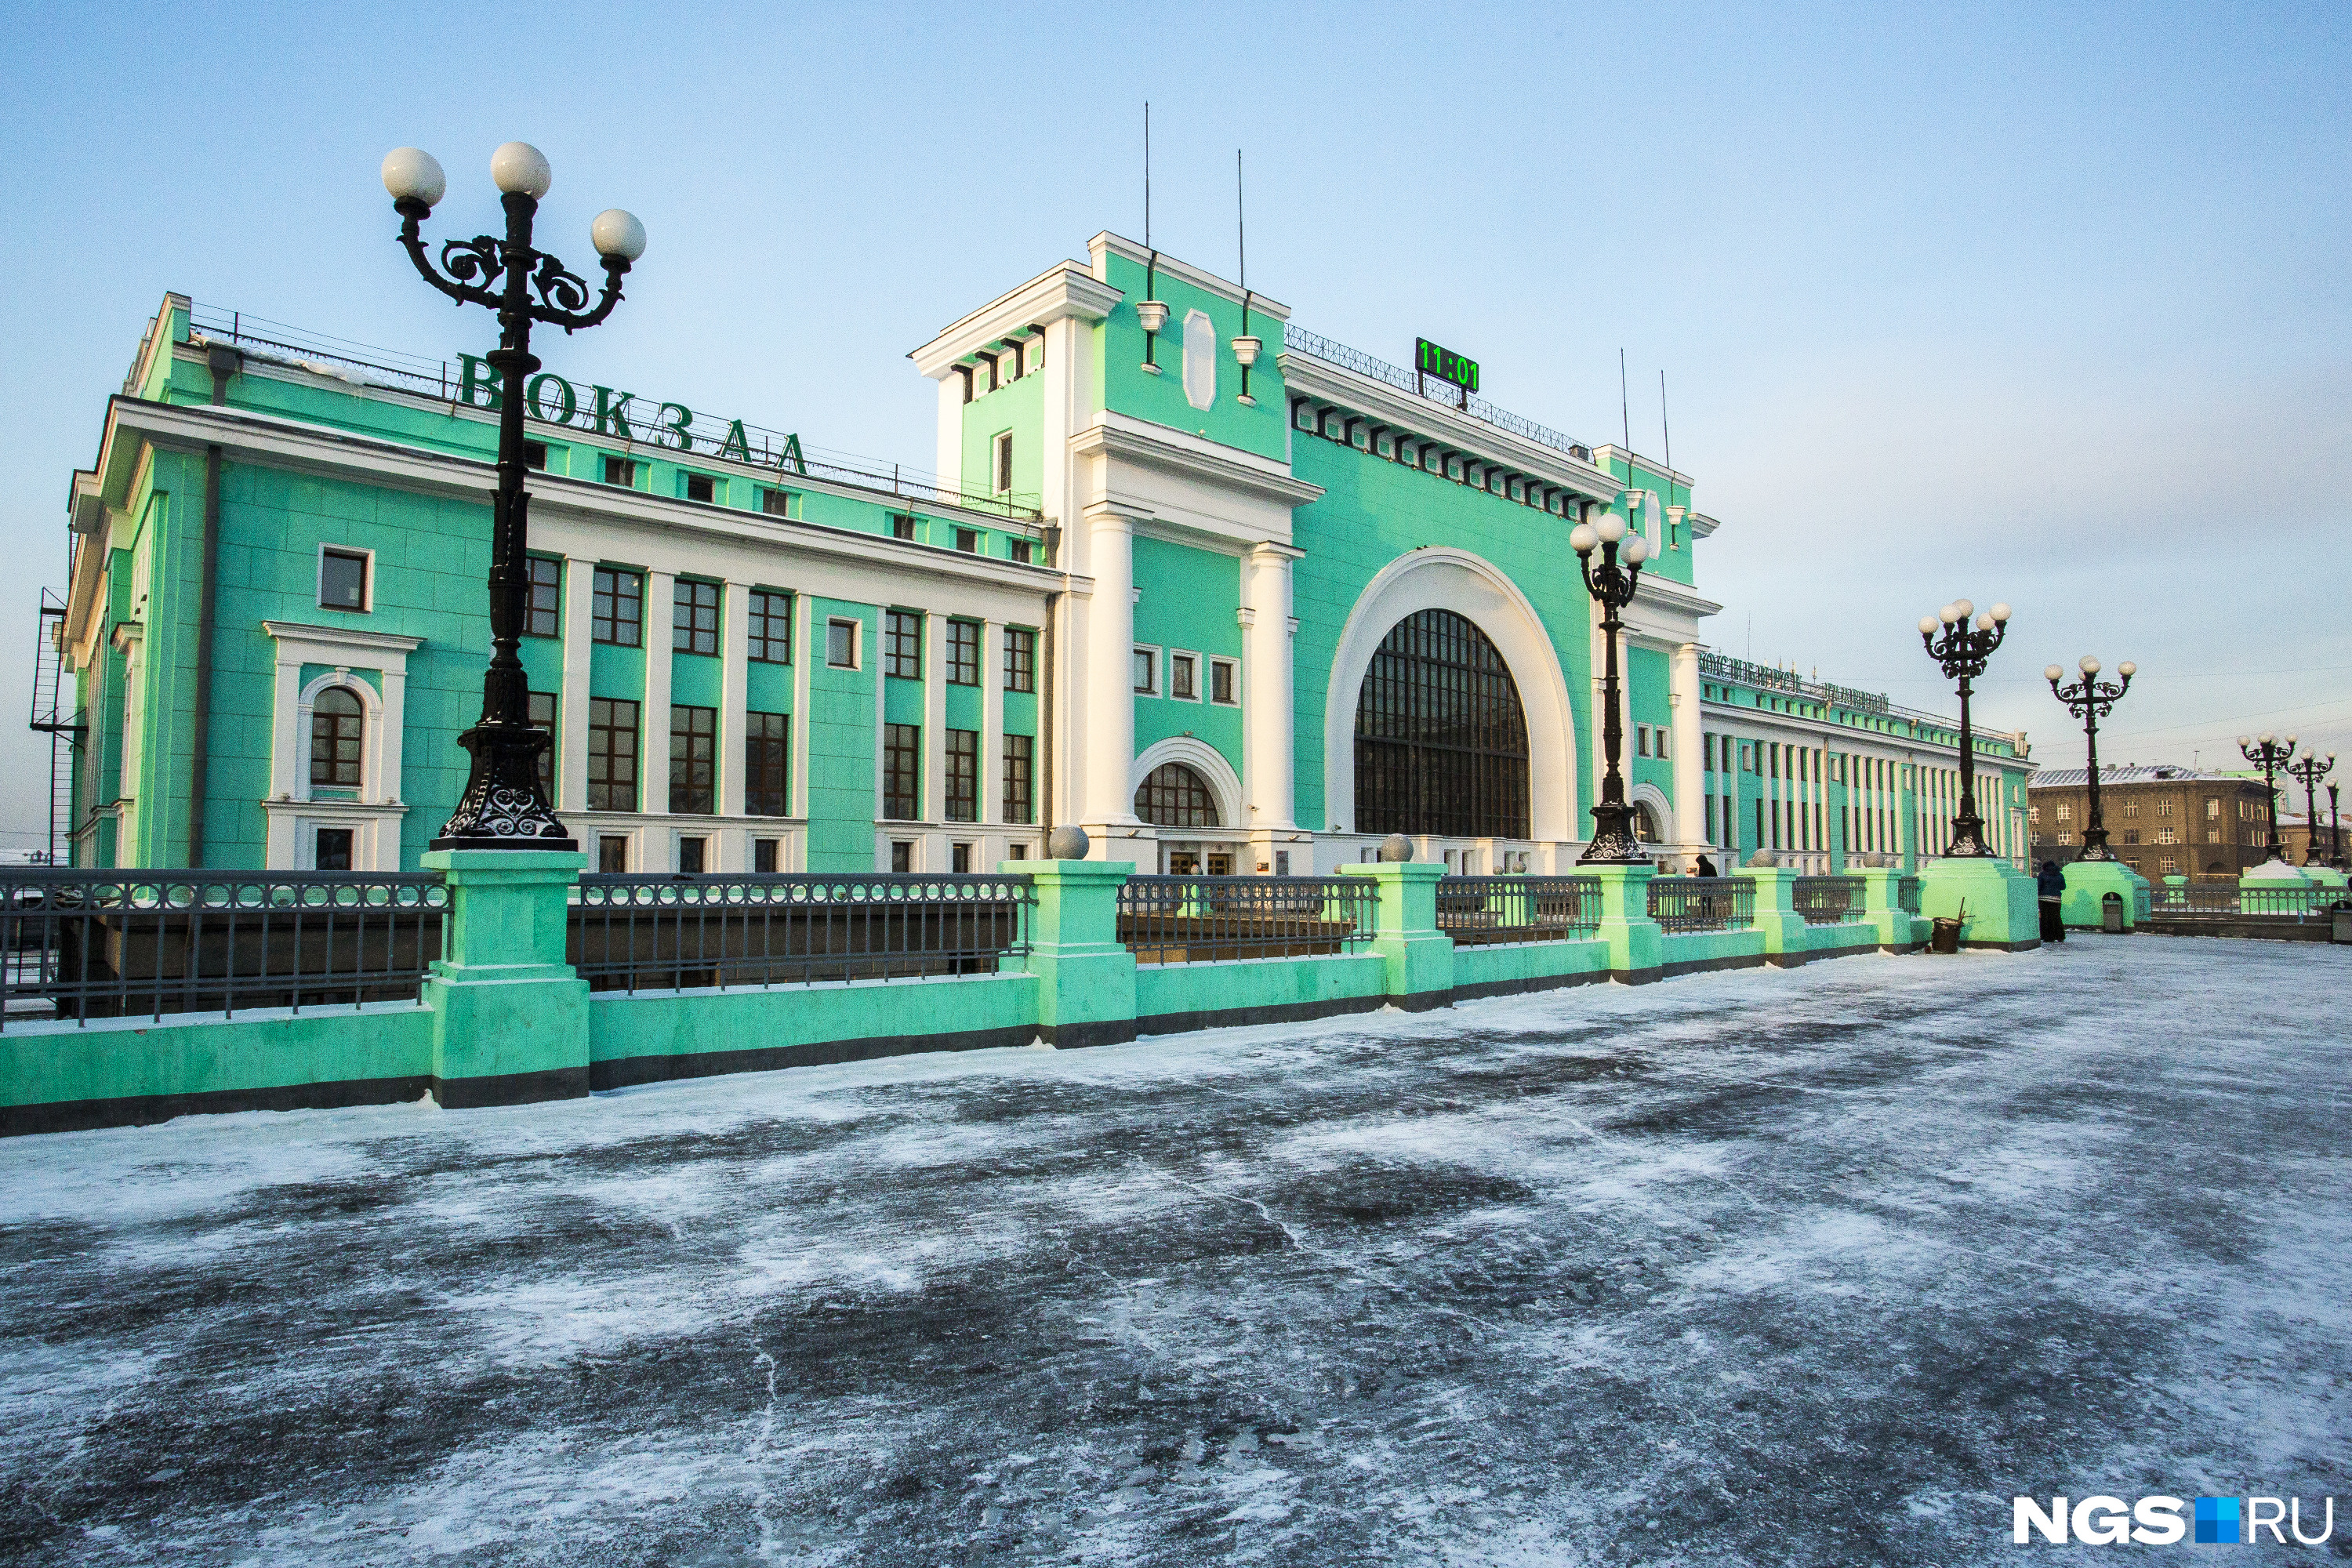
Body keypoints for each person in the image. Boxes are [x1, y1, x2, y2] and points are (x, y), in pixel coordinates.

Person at [2036, 859, 2067, 942]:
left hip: (2044, 899)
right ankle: (2060, 936)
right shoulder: (2060, 875)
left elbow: (2038, 886)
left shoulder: (2042, 875)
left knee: (2046, 917)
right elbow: (2063, 887)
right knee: (2056, 917)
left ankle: (2048, 937)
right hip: (2056, 899)